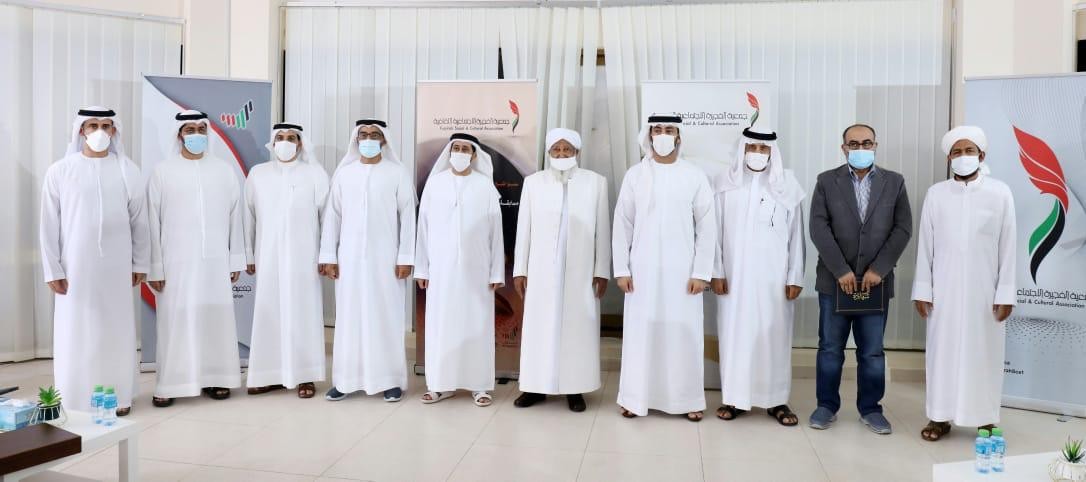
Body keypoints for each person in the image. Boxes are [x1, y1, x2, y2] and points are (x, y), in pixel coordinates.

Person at [39, 107, 148, 416]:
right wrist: (52, 269)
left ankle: (118, 396)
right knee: (77, 330)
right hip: (75, 268)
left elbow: (140, 222)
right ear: (81, 131)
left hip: (117, 267)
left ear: (114, 131)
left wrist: (140, 264)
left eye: (106, 126)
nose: (100, 131)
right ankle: (75, 398)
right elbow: (48, 225)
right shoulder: (60, 170)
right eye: (93, 125)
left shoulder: (128, 170)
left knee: (116, 330)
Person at [913, 126, 1016, 442]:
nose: (963, 156)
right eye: (956, 152)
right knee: (942, 353)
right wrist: (922, 290)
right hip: (943, 289)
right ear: (949, 158)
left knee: (984, 353)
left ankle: (985, 418)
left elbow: (1008, 246)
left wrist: (1005, 294)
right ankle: (939, 417)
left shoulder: (1000, 193)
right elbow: (925, 246)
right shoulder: (936, 194)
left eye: (969, 151)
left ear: (981, 155)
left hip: (985, 291)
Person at [808, 124, 912, 434]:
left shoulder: (894, 182)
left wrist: (879, 269)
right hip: (834, 282)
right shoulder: (826, 181)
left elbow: (902, 228)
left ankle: (871, 408)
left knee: (872, 352)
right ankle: (826, 406)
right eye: (853, 144)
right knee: (830, 349)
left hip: (875, 284)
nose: (860, 148)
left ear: (875, 145)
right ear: (843, 148)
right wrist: (840, 270)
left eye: (866, 143)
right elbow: (818, 228)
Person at [612, 114, 716, 422]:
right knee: (641, 334)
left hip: (682, 272)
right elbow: (622, 222)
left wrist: (701, 273)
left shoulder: (694, 175)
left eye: (669, 130)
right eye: (657, 130)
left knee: (683, 335)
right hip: (641, 270)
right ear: (649, 135)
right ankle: (634, 398)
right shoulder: (635, 175)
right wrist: (622, 269)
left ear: (678, 136)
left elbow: (707, 226)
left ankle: (688, 399)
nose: (663, 135)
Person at [146, 110, 244, 407]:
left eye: (201, 129)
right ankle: (170, 383)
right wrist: (155, 267)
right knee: (176, 321)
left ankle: (217, 378)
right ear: (179, 135)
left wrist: (235, 259)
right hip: (175, 263)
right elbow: (152, 222)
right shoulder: (163, 171)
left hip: (215, 261)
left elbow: (235, 217)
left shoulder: (223, 170)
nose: (196, 135)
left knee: (215, 319)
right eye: (190, 130)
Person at [710, 128, 806, 426]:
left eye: (764, 149)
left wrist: (795, 276)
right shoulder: (724, 183)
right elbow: (714, 231)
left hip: (773, 281)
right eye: (752, 147)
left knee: (773, 336)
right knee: (734, 336)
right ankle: (734, 398)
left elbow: (797, 235)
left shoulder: (787, 185)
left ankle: (776, 400)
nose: (757, 153)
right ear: (742, 149)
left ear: (772, 153)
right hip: (734, 279)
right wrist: (716, 271)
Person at [512, 128, 610, 413]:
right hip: (541, 270)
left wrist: (601, 269)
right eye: (557, 149)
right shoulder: (533, 183)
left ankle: (574, 388)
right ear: (549, 152)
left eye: (567, 149)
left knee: (577, 329)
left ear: (577, 152)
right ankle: (534, 387)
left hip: (580, 271)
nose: (562, 154)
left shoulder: (596, 182)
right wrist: (520, 269)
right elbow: (524, 230)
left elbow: (602, 230)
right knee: (539, 327)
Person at [319, 119, 415, 402]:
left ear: (384, 140)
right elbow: (332, 218)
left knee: (385, 317)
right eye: (364, 134)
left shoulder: (397, 173)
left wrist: (406, 257)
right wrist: (329, 256)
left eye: (375, 135)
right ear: (356, 139)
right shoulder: (344, 174)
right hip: (349, 260)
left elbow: (408, 217)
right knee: (349, 319)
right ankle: (345, 380)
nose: (369, 139)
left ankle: (390, 380)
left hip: (386, 261)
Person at [415, 133, 504, 408]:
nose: (461, 152)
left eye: (466, 149)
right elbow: (423, 228)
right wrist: (422, 269)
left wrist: (496, 272)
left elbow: (496, 232)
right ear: (449, 152)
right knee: (441, 327)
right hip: (440, 271)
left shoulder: (485, 186)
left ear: (474, 155)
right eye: (457, 148)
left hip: (478, 271)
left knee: (477, 326)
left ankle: (479, 386)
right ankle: (439, 385)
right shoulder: (435, 184)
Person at [243, 123, 329, 399]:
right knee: (268, 313)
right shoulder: (258, 174)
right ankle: (267, 375)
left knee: (303, 312)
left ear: (301, 143)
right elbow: (248, 217)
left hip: (305, 257)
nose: (285, 142)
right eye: (280, 137)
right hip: (267, 255)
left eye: (291, 138)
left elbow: (328, 219)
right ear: (272, 142)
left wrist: (327, 254)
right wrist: (248, 254)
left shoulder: (315, 174)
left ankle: (305, 376)